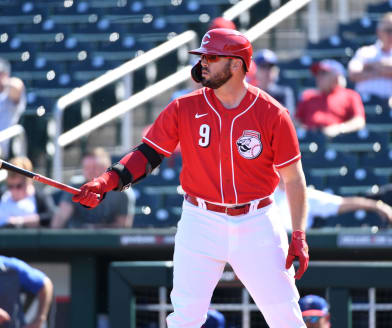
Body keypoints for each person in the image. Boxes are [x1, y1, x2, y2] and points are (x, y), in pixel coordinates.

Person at [72, 28, 309, 327]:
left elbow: (294, 178)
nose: (203, 63)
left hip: (257, 220)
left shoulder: (273, 113)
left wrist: (298, 234)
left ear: (236, 64)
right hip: (201, 220)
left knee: (285, 316)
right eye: (203, 56)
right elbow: (148, 154)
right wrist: (106, 182)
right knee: (185, 318)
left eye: (211, 56)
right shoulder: (184, 106)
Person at [51, 147, 135, 229]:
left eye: (96, 168)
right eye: (87, 168)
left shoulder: (122, 192)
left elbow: (123, 226)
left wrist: (95, 229)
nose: (91, 172)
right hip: (76, 240)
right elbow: (61, 217)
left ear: (108, 169)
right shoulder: (75, 187)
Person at [274, 178, 392, 230]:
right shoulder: (264, 193)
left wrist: (378, 206)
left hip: (292, 253)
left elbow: (343, 203)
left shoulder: (306, 195)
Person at [295, 59, 365, 138]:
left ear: (336, 76)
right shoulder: (307, 96)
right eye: (318, 74)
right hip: (310, 140)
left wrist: (339, 129)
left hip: (337, 141)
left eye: (323, 73)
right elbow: (296, 121)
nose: (318, 77)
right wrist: (305, 129)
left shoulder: (350, 95)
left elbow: (359, 121)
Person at [0, 156, 56, 228]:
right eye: (10, 186)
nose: (14, 190)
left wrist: (19, 221)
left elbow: (49, 216)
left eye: (19, 186)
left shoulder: (40, 197)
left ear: (29, 181)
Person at [348, 12, 392, 99]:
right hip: (366, 102)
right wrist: (385, 71)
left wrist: (370, 66)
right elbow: (353, 74)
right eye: (389, 30)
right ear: (379, 32)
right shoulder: (365, 52)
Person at [254, 49, 296, 116]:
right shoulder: (251, 93)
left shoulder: (284, 92)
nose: (267, 71)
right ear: (256, 70)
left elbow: (288, 116)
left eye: (270, 67)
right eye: (263, 66)